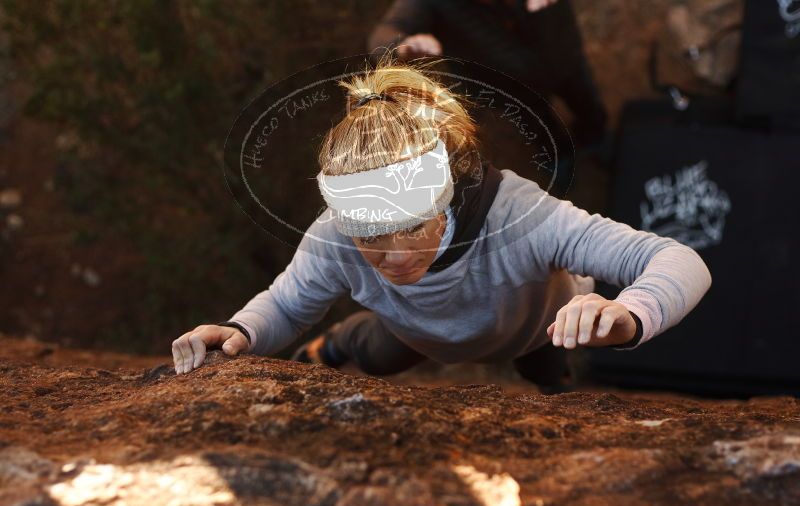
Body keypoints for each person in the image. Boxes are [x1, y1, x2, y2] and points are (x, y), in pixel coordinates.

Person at [171, 59, 711, 392]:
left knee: (552, 375)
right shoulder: (333, 234)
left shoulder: (521, 216)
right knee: (376, 354)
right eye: (370, 236)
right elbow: (288, 304)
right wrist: (240, 331)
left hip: (537, 328)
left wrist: (630, 313)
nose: (395, 256)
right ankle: (335, 345)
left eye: (412, 227)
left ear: (444, 196)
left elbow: (680, 260)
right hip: (416, 332)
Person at [367, 0, 608, 148]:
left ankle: (596, 136)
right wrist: (402, 46)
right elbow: (382, 37)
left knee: (586, 102)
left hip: (564, 58)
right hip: (509, 88)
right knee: (538, 126)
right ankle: (559, 154)